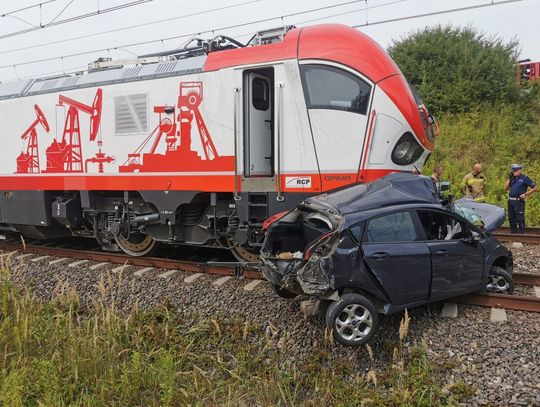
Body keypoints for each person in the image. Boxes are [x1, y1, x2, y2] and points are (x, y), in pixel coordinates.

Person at [504, 163, 537, 234]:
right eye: (513, 170)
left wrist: (526, 194)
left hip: (518, 201)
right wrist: (509, 178)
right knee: (511, 218)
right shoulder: (512, 178)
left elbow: (534, 188)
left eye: (516, 170)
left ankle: (521, 234)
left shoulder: (525, 178)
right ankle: (513, 233)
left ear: (520, 170)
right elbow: (505, 188)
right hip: (511, 201)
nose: (514, 172)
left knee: (519, 218)